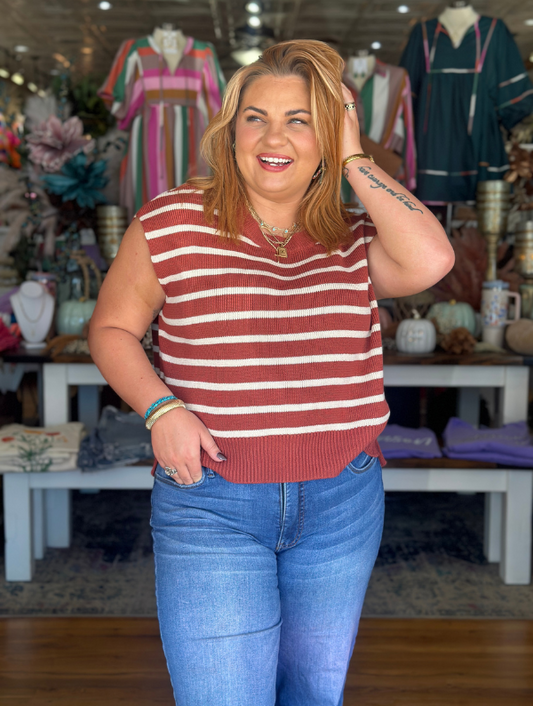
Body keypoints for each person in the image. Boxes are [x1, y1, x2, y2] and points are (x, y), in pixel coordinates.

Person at [89, 40, 454, 706]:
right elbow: (112, 328)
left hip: (341, 499)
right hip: (211, 496)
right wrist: (161, 409)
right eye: (254, 117)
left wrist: (353, 157)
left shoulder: (351, 235)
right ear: (229, 131)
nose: (273, 136)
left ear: (328, 133)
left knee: (313, 695)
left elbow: (431, 259)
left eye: (300, 119)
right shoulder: (171, 220)